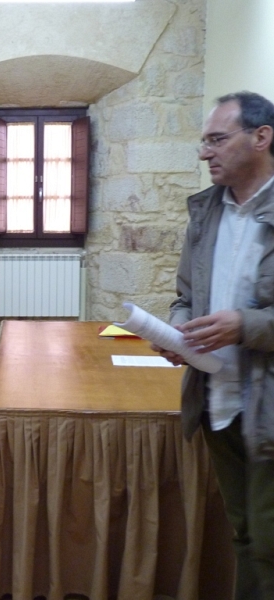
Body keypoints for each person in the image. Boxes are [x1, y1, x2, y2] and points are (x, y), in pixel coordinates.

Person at [152, 91, 274, 599]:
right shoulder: (205, 213)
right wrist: (178, 330)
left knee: (270, 546)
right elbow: (185, 294)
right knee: (244, 535)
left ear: (262, 137)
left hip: (267, 409)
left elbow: (245, 321)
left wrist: (245, 325)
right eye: (204, 142)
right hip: (215, 402)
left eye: (217, 140)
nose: (205, 153)